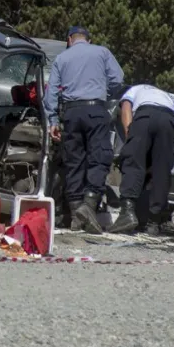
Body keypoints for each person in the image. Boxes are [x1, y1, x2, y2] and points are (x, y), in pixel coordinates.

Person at [44, 26, 124, 234]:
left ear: (70, 39)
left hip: (71, 113)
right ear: (88, 40)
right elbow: (118, 79)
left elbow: (50, 92)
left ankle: (76, 215)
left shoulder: (62, 59)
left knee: (73, 161)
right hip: (95, 110)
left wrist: (52, 120)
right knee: (99, 157)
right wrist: (102, 92)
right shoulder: (102, 52)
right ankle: (88, 205)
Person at [107, 84, 174, 235]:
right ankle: (153, 222)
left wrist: (130, 139)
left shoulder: (134, 90)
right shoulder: (171, 97)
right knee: (162, 171)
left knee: (133, 163)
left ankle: (127, 213)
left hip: (144, 115)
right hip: (169, 120)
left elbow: (126, 108)